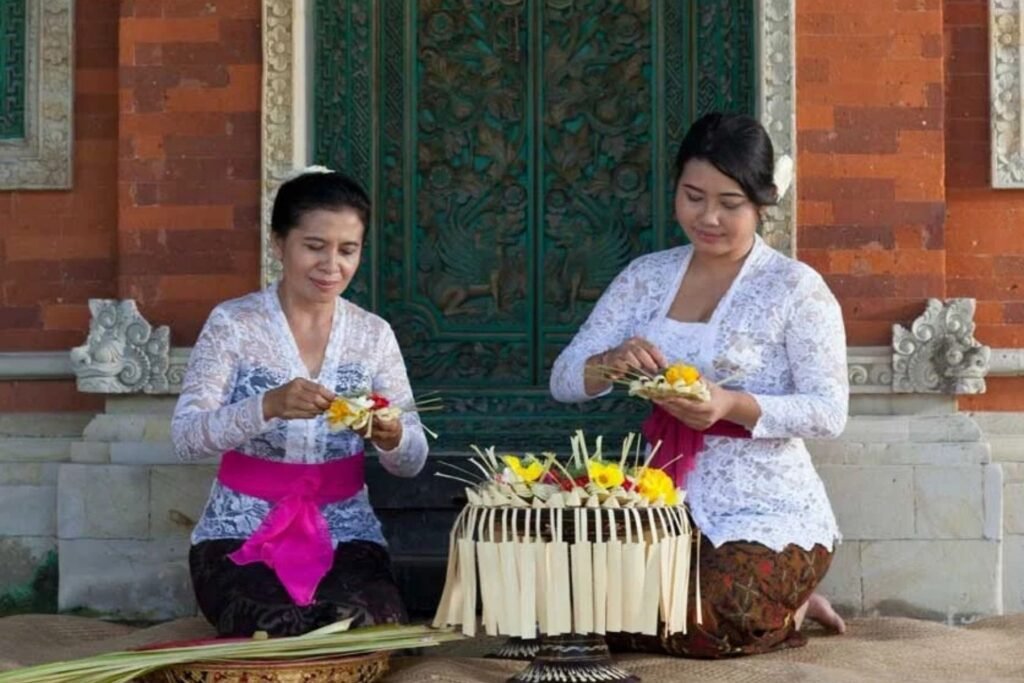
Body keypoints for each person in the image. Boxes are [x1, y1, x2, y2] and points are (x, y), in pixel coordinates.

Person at [550, 112, 847, 657]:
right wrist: (609, 361)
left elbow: (829, 411)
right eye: (693, 196)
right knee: (571, 608)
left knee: (703, 615)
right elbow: (564, 380)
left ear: (761, 202)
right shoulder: (645, 277)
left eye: (730, 204)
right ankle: (778, 607)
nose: (708, 217)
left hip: (769, 510)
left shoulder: (795, 288)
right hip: (661, 504)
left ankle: (791, 602)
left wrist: (730, 404)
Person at [171, 168, 429, 637]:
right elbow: (186, 438)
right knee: (272, 627)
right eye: (314, 246)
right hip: (240, 533)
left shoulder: (373, 335)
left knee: (369, 625)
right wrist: (265, 405)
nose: (332, 265)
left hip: (346, 533)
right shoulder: (233, 324)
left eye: (347, 250)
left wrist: (390, 435)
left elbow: (412, 461)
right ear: (278, 243)